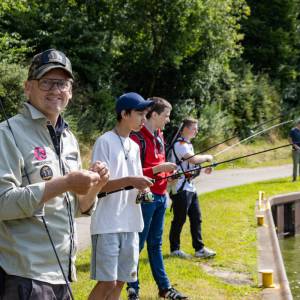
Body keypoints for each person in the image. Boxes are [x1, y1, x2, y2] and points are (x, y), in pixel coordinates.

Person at [0, 49, 109, 300]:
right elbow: (3, 203)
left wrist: (94, 186)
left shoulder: (69, 138)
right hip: (24, 276)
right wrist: (66, 182)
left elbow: (79, 207)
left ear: (70, 91)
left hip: (63, 273)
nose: (55, 89)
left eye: (62, 83)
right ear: (28, 87)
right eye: (46, 82)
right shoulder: (6, 133)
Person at [88, 92, 154, 300]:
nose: (144, 119)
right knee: (107, 281)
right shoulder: (104, 141)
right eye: (140, 114)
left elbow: (135, 181)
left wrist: (143, 188)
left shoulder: (134, 146)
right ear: (124, 114)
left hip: (131, 224)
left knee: (121, 280)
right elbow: (98, 187)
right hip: (107, 224)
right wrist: (131, 181)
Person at [127, 97, 187, 300]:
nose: (168, 120)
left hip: (161, 195)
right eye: (166, 115)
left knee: (156, 244)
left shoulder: (160, 135)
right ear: (153, 115)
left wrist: (170, 176)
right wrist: (160, 169)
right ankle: (132, 288)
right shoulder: (137, 138)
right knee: (139, 243)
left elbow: (159, 165)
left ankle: (165, 288)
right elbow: (134, 173)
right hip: (146, 196)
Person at [168, 118, 216, 259]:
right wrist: (207, 157)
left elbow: (192, 165)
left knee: (196, 218)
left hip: (190, 187)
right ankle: (174, 249)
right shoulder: (180, 144)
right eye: (194, 128)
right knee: (180, 219)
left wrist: (205, 167)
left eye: (196, 128)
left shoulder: (188, 144)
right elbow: (193, 159)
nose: (197, 131)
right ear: (185, 129)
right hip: (179, 188)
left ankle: (199, 249)